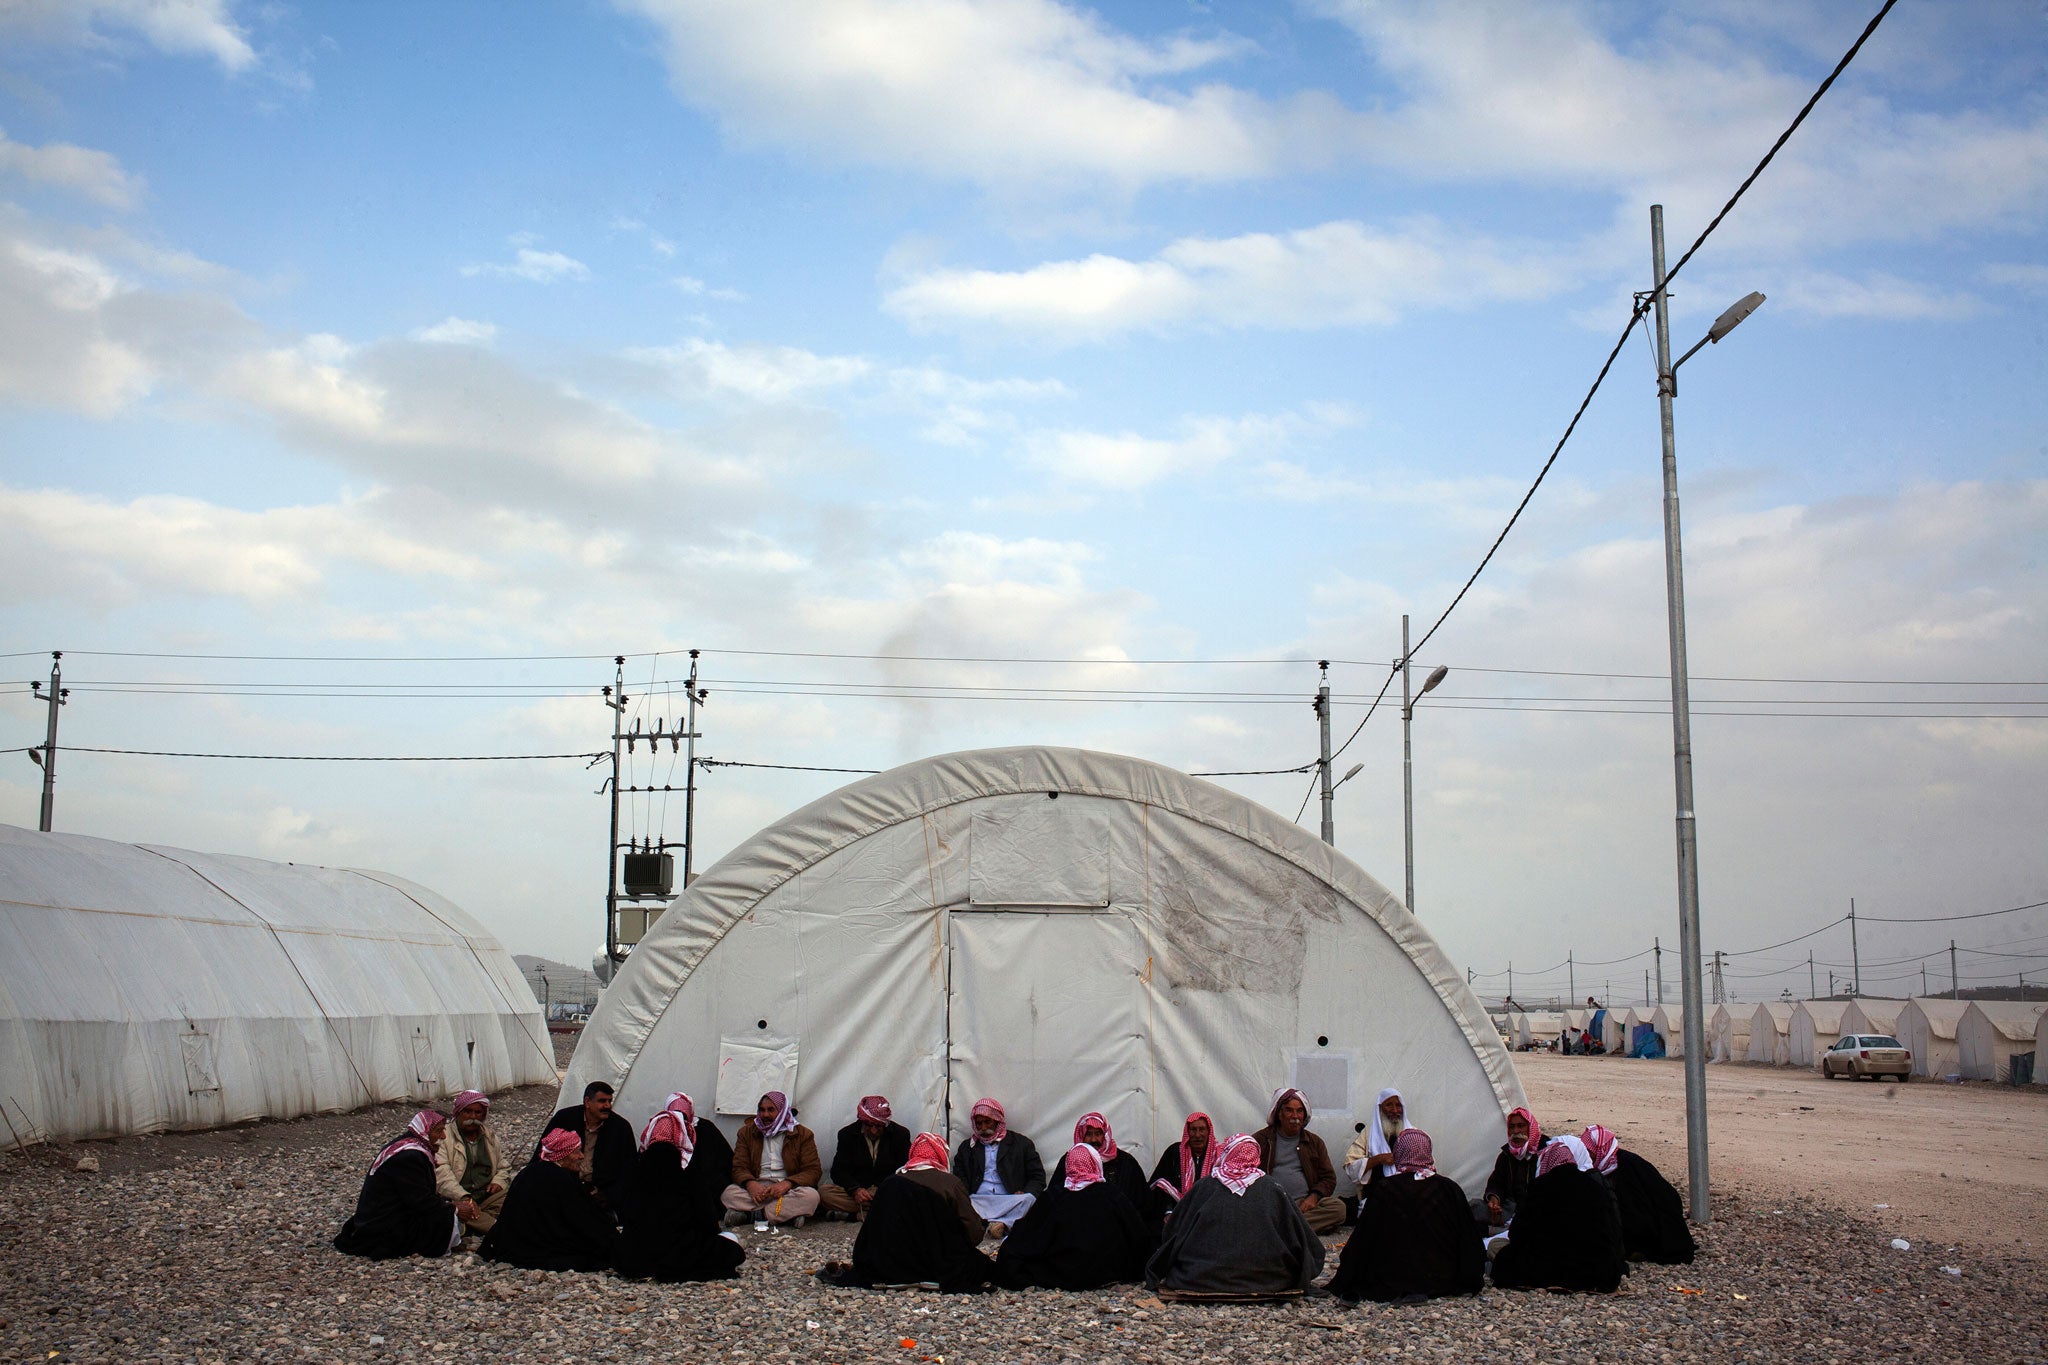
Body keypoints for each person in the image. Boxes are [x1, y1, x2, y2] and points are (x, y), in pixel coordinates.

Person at [1145, 1133, 1323, 1298]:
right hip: (1270, 1278)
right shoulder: (1273, 1188)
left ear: (1227, 1153)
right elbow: (1301, 1235)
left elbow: (1174, 1231)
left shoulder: (1204, 1186)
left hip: (1200, 1277)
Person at [1325, 1130, 1484, 1304]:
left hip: (1389, 1277)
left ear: (1399, 1153)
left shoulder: (1385, 1189)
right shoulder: (1449, 1188)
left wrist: (1348, 1274)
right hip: (1441, 1277)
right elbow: (1469, 1239)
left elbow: (1364, 1240)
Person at [825, 1132, 995, 1293]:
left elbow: (873, 1232)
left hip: (888, 1263)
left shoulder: (891, 1182)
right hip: (938, 1262)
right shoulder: (951, 1184)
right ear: (941, 1154)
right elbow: (973, 1233)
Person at [613, 1093, 745, 1282]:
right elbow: (706, 1218)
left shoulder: (638, 1169)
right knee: (731, 1246)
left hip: (636, 1258)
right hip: (679, 1253)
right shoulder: (685, 1169)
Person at [995, 1144, 1151, 1291]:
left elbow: (1029, 1234)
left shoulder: (1054, 1196)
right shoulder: (1112, 1195)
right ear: (1095, 1163)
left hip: (1063, 1272)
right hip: (1108, 1271)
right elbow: (1138, 1234)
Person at [1487, 1136, 1626, 1293]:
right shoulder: (1595, 1186)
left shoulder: (1540, 1187)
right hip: (1594, 1271)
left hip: (1546, 1269)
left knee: (1496, 1248)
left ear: (1547, 1162)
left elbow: (1517, 1233)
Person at [477, 1129, 618, 1271]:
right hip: (544, 1246)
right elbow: (579, 1218)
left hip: (516, 1242)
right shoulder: (561, 1179)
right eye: (576, 1152)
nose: (581, 1156)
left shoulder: (528, 1172)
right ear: (563, 1155)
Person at [334, 1109, 461, 1259]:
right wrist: (454, 1207)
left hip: (379, 1215)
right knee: (444, 1217)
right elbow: (420, 1200)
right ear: (425, 1131)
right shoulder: (410, 1156)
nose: (443, 1136)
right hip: (383, 1224)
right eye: (438, 1131)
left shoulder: (407, 1146)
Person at [1581, 1125, 1696, 1264]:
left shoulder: (1626, 1167)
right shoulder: (1608, 1165)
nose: (1586, 1154)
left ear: (1600, 1150)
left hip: (1653, 1225)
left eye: (1589, 1151)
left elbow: (1636, 1210)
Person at [723, 1090, 822, 1227]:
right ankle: (784, 1215)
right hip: (757, 1189)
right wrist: (750, 1184)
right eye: (762, 1110)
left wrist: (787, 1184)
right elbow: (739, 1166)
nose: (765, 1115)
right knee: (729, 1193)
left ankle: (752, 1215)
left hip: (787, 1190)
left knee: (811, 1196)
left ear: (782, 1111)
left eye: (771, 1110)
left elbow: (813, 1171)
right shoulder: (747, 1133)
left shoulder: (803, 1134)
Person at [1253, 1087, 1344, 1234]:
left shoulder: (1314, 1142)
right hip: (1271, 1203)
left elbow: (1328, 1178)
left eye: (1300, 1111)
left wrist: (1313, 1198)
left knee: (1338, 1208)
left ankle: (1282, 1230)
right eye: (1289, 1110)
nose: (1295, 1116)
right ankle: (1297, 1230)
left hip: (1303, 1204)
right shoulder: (1261, 1140)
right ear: (1279, 1114)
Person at [537, 1081, 636, 1212]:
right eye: (602, 1101)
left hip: (601, 1194)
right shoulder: (565, 1119)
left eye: (609, 1101)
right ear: (587, 1102)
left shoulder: (620, 1128)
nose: (607, 1106)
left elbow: (630, 1170)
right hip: (564, 1187)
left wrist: (610, 1195)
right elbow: (544, 1154)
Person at [951, 1097, 1045, 1234]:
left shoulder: (1021, 1143)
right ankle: (1002, 1224)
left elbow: (1038, 1177)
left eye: (987, 1122)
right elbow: (960, 1177)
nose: (983, 1128)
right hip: (978, 1200)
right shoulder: (967, 1148)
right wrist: (965, 1197)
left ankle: (1000, 1224)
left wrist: (1024, 1192)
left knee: (1029, 1199)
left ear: (997, 1120)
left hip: (1010, 1199)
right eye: (979, 1123)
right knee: (960, 1203)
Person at [819, 1094, 911, 1222]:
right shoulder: (847, 1134)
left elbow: (904, 1169)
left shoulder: (900, 1134)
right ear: (862, 1121)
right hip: (858, 1192)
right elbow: (839, 1171)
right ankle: (880, 1213)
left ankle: (856, 1215)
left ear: (885, 1123)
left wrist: (881, 1189)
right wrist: (855, 1190)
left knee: (905, 1195)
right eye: (868, 1125)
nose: (873, 1130)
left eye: (878, 1126)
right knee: (824, 1193)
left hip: (885, 1190)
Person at [434, 1090, 506, 1238]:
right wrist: (463, 1198)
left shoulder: (489, 1136)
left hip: (486, 1196)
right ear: (458, 1112)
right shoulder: (445, 1137)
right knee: (457, 1209)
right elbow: (442, 1175)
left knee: (520, 1193)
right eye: (468, 1111)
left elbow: (503, 1167)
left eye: (478, 1113)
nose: (473, 1117)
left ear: (483, 1115)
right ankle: (495, 1228)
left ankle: (473, 1221)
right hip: (457, 1197)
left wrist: (498, 1182)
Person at [1046, 1111, 1147, 1211]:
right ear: (1081, 1136)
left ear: (1105, 1135)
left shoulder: (1125, 1162)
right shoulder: (1070, 1160)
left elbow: (1141, 1201)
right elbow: (1055, 1196)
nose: (1093, 1139)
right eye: (1088, 1134)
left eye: (1098, 1134)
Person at [1144, 1111, 1217, 1232]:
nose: (1197, 1135)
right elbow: (1160, 1184)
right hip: (1176, 1215)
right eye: (1193, 1130)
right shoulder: (1174, 1152)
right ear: (1187, 1132)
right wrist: (1168, 1211)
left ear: (1208, 1132)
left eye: (1202, 1129)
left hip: (1208, 1215)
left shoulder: (1218, 1155)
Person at [1483, 1106, 1548, 1231]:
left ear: (1530, 1128)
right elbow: (1497, 1183)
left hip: (1537, 1212)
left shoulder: (1544, 1152)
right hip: (1510, 1209)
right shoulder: (1506, 1155)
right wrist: (1494, 1200)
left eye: (1521, 1126)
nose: (1516, 1131)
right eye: (1512, 1127)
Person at [1342, 1087, 1409, 1195]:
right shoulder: (1368, 1134)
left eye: (1398, 1105)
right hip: (1376, 1196)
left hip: (1407, 1193)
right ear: (1380, 1108)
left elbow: (1428, 1168)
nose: (1395, 1110)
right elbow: (1351, 1168)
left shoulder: (1414, 1134)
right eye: (1389, 1105)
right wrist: (1378, 1159)